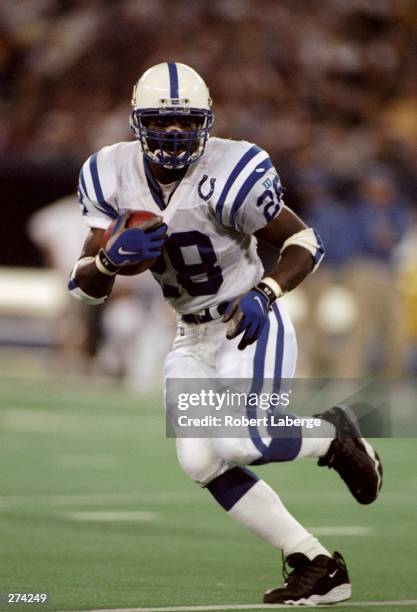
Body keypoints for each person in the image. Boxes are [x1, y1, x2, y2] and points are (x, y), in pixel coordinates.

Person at [68, 62, 382, 605]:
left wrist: (267, 293)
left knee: (243, 440)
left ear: (205, 122)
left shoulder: (234, 168)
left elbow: (305, 241)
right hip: (190, 333)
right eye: (160, 122)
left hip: (248, 318)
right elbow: (82, 287)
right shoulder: (108, 172)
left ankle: (333, 435)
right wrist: (107, 262)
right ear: (136, 122)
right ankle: (316, 563)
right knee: (201, 461)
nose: (172, 134)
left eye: (184, 122)